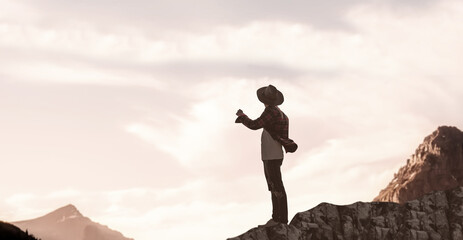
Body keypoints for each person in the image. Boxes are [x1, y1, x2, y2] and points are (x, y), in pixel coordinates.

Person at [235, 84, 297, 227]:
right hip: (275, 153)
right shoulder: (280, 113)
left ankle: (279, 219)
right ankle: (278, 218)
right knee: (275, 185)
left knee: (276, 186)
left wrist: (242, 117)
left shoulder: (270, 112)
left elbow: (254, 125)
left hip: (271, 154)